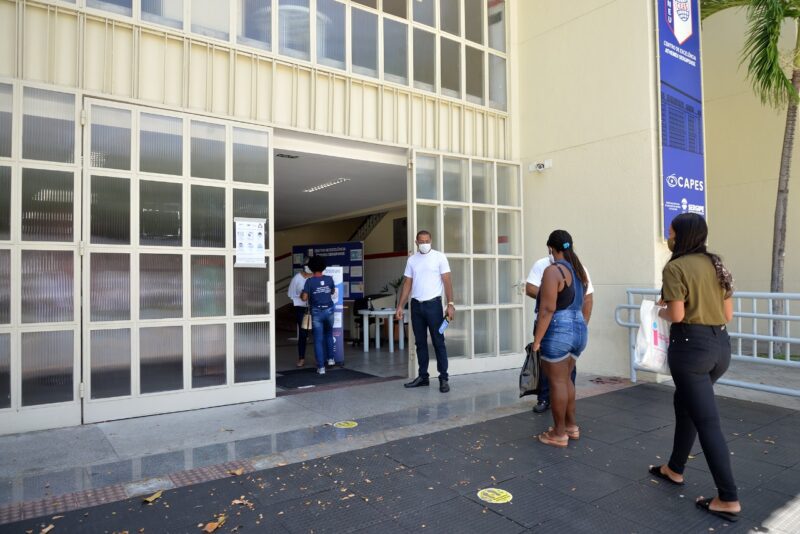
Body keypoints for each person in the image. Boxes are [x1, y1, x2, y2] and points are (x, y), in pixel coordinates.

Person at [648, 213, 740, 522]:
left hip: (691, 350)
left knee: (707, 422)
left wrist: (658, 309)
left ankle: (728, 497)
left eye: (671, 232)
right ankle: (674, 468)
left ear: (682, 236)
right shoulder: (717, 264)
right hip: (720, 348)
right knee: (685, 403)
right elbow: (727, 314)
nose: (669, 237)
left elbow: (676, 315)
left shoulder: (675, 267)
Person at [532, 230, 588, 448]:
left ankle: (558, 433)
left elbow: (547, 309)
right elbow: (586, 300)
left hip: (558, 331)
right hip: (579, 329)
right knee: (566, 380)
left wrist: (537, 340)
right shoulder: (579, 271)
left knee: (556, 382)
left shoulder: (553, 271)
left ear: (550, 248)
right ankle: (571, 427)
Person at [526, 255, 594, 413]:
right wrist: (551, 292)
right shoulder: (542, 264)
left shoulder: (579, 268)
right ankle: (547, 400)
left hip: (566, 327)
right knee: (551, 371)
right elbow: (530, 288)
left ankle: (561, 423)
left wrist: (582, 325)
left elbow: (588, 299)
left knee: (563, 375)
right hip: (551, 325)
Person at [395, 230, 455, 393]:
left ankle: (443, 378)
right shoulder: (412, 260)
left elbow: (447, 281)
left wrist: (450, 303)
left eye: (427, 241)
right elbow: (407, 283)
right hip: (416, 306)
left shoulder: (439, 257)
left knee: (438, 342)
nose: (424, 244)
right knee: (420, 343)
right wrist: (400, 305)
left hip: (433, 305)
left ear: (431, 241)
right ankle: (423, 377)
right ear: (416, 243)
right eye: (421, 241)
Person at [301, 256, 338, 375]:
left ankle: (321, 367)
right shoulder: (329, 279)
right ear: (323, 266)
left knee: (318, 339)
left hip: (317, 312)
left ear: (311, 267)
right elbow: (332, 291)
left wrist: (303, 293)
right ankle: (331, 359)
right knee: (329, 334)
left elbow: (304, 298)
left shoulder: (309, 281)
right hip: (330, 310)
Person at [287, 261, 312, 367]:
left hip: (314, 308)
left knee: (318, 332)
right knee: (303, 334)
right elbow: (291, 294)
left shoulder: (315, 277)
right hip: (301, 309)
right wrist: (302, 296)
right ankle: (301, 358)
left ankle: (321, 358)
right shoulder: (297, 278)